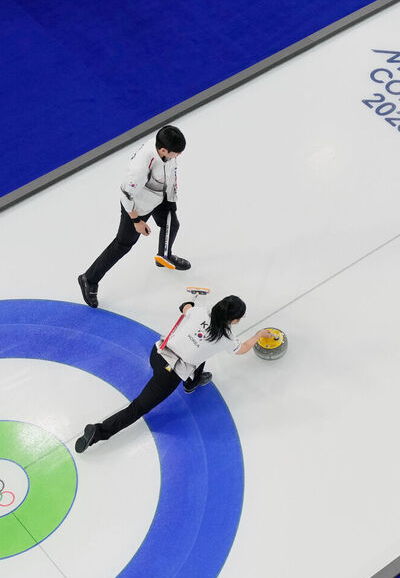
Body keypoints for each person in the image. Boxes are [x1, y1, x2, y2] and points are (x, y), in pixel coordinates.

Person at [76, 294, 273, 452]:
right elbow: (244, 348)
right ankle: (98, 432)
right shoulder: (227, 338)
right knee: (137, 408)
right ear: (234, 320)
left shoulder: (199, 312)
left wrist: (192, 299)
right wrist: (259, 334)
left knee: (200, 352)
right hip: (169, 373)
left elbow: (184, 307)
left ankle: (192, 382)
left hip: (158, 353)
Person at [78, 125, 190, 308]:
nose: (178, 156)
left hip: (159, 196)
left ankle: (164, 255)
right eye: (176, 153)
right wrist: (136, 221)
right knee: (123, 245)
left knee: (172, 224)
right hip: (138, 206)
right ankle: (89, 279)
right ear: (163, 150)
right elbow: (126, 194)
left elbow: (171, 173)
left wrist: (171, 199)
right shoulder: (140, 167)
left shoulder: (167, 152)